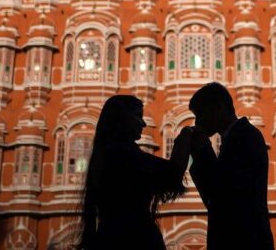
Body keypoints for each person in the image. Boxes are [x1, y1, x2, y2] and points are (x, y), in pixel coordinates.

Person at [78, 95, 192, 250]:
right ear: (122, 118)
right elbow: (172, 174)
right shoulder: (122, 153)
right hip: (134, 238)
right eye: (138, 116)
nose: (143, 123)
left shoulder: (108, 152)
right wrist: (185, 138)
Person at [187, 82, 274, 249]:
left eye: (201, 114)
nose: (198, 122)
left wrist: (202, 151)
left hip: (243, 239)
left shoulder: (244, 137)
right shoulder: (236, 137)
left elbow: (222, 193)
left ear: (218, 108)